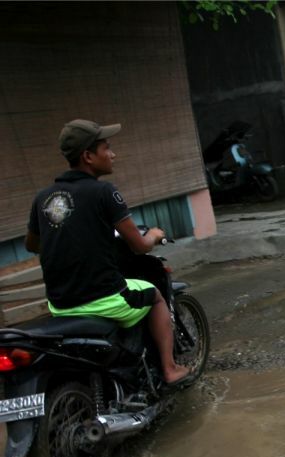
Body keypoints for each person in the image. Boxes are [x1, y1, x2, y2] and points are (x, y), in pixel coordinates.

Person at [25, 119, 191, 385]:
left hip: (60, 304)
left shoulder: (43, 197)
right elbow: (138, 246)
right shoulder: (104, 192)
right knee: (156, 296)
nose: (113, 154)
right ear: (88, 156)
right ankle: (170, 368)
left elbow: (32, 245)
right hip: (103, 298)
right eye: (107, 148)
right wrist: (154, 235)